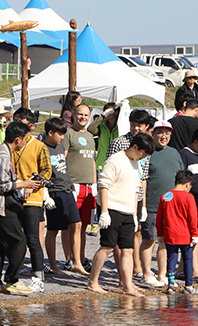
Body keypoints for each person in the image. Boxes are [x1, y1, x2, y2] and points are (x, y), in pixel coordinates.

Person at [87, 133, 157, 295]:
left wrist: (134, 213)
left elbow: (135, 189)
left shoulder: (135, 163)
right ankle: (93, 282)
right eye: (143, 154)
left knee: (128, 249)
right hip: (111, 208)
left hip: (127, 211)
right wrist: (104, 212)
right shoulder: (115, 160)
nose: (143, 157)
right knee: (107, 247)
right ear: (135, 147)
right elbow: (104, 185)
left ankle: (127, 285)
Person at [0, 122, 42, 295]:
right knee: (19, 241)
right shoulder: (1, 156)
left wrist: (21, 185)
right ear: (18, 139)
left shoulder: (1, 152)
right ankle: (12, 280)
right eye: (25, 139)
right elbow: (2, 186)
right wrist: (25, 183)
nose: (26, 142)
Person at [10, 107, 52, 292]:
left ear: (31, 126)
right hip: (12, 196)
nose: (17, 124)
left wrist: (30, 184)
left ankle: (38, 276)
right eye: (15, 120)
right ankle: (12, 274)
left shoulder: (39, 146)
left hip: (33, 199)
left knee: (33, 238)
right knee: (12, 237)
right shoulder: (10, 145)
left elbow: (47, 172)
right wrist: (18, 183)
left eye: (21, 121)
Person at [142, 121, 184, 287]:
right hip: (152, 205)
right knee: (149, 240)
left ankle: (161, 274)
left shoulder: (175, 153)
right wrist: (142, 205)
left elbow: (181, 179)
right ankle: (146, 273)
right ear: (153, 133)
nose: (164, 136)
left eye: (167, 133)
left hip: (172, 207)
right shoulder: (148, 153)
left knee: (165, 242)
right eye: (160, 132)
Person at [61, 103, 98, 275]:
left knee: (83, 226)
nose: (83, 117)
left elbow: (92, 161)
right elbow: (64, 158)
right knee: (71, 225)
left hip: (89, 186)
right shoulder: (68, 134)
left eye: (86, 115)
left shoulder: (90, 136)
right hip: (73, 185)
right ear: (73, 115)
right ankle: (70, 259)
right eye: (80, 114)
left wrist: (95, 183)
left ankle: (81, 258)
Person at [41, 118, 78, 274]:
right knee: (53, 229)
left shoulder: (60, 145)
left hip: (67, 189)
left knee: (76, 224)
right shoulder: (42, 148)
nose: (62, 137)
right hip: (54, 191)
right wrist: (46, 195)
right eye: (60, 134)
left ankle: (75, 262)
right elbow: (41, 173)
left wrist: (71, 186)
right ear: (50, 133)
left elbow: (64, 167)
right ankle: (53, 265)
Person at [156, 170, 198, 294]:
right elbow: (193, 217)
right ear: (187, 185)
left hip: (170, 234)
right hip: (186, 235)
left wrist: (160, 234)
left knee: (171, 258)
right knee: (187, 259)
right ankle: (189, 286)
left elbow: (159, 218)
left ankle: (171, 284)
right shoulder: (189, 197)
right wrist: (195, 234)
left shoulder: (165, 196)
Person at [88, 103, 120, 168]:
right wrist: (102, 116)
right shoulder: (102, 127)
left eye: (109, 111)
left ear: (116, 112)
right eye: (105, 111)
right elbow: (90, 129)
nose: (106, 113)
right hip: (101, 164)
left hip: (116, 165)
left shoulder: (120, 127)